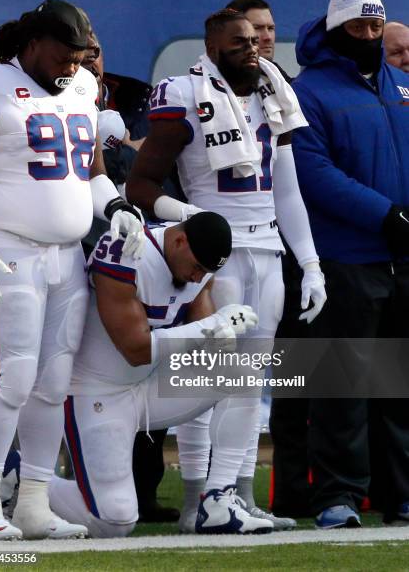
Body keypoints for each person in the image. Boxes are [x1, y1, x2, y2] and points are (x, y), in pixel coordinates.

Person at [126, 9, 326, 532]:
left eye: (256, 38)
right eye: (238, 40)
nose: (252, 47)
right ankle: (202, 497)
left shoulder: (273, 90)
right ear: (211, 45)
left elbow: (287, 189)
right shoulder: (184, 93)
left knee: (247, 382)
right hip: (217, 253)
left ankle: (230, 495)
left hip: (267, 251)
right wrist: (191, 217)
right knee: (211, 378)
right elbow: (142, 185)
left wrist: (309, 262)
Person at [0, 0, 144, 541]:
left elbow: (87, 170)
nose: (73, 66)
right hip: (8, 249)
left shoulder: (84, 89)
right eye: (64, 54)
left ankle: (34, 503)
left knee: (51, 384)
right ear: (32, 44)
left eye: (80, 57)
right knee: (13, 377)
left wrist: (115, 207)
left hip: (67, 255)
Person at [48, 212, 274, 537]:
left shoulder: (198, 264)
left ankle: (217, 502)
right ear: (179, 241)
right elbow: (135, 349)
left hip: (149, 388)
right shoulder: (127, 251)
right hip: (97, 392)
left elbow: (204, 350)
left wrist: (218, 335)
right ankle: (22, 480)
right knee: (114, 521)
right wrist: (212, 326)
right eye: (197, 268)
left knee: (241, 373)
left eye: (207, 272)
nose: (198, 278)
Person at [292, 0, 409, 528]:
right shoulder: (309, 90)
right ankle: (337, 496)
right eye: (358, 25)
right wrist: (385, 215)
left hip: (402, 259)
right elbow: (312, 173)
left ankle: (401, 492)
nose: (368, 33)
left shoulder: (401, 85)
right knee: (342, 384)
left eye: (375, 23)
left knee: (398, 382)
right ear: (337, 27)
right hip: (345, 255)